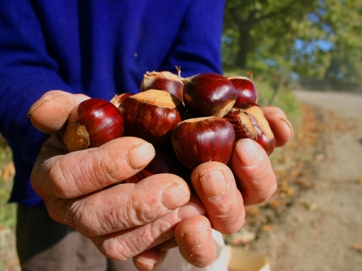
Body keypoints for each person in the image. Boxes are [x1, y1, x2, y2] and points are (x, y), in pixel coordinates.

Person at [0, 1, 293, 270]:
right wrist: (51, 131)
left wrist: (201, 122)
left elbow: (194, 69)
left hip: (164, 198)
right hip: (51, 184)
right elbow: (10, 56)